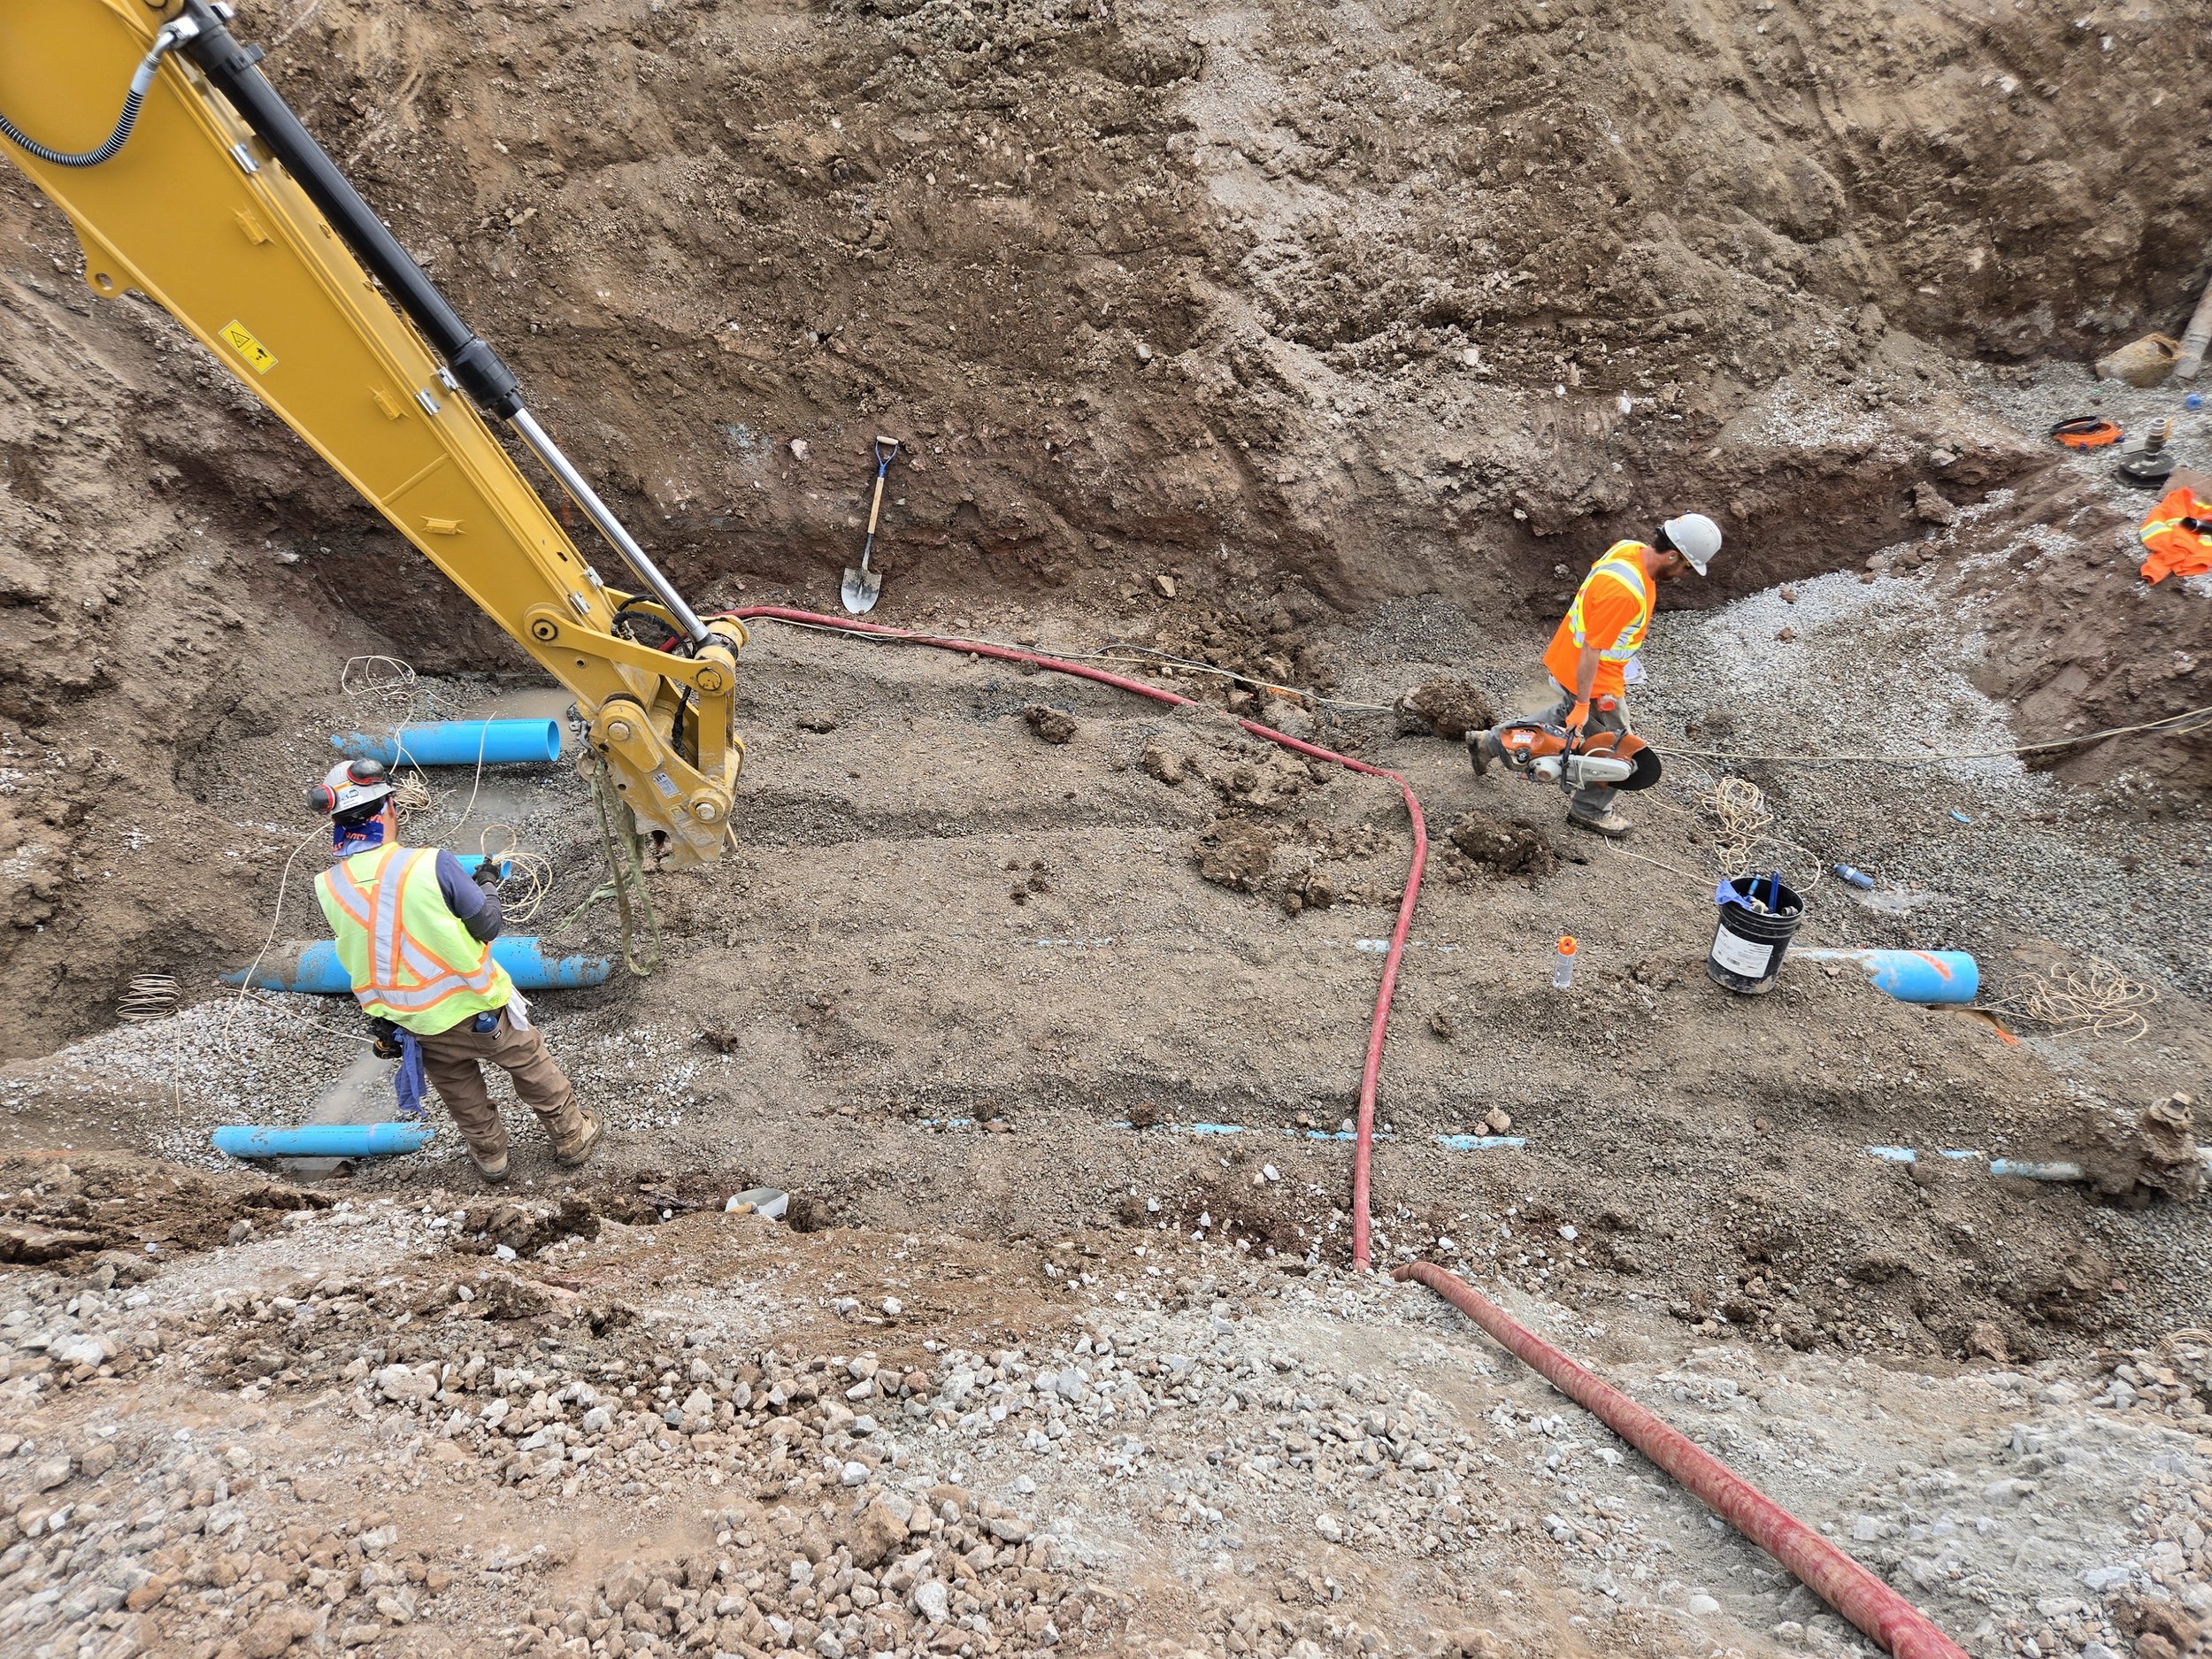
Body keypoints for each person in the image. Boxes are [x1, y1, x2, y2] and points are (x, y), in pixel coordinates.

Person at [308, 757, 602, 1182]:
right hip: (478, 1006)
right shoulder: (431, 863)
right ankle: (571, 1134)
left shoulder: (328, 884)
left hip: (412, 1020)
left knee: (459, 1089)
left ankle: (491, 1157)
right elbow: (487, 925)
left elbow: (378, 935)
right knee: (530, 1063)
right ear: (388, 808)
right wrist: (486, 883)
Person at [1468, 513, 1721, 839]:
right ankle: (1590, 810)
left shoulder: (1628, 549)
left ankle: (1488, 742)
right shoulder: (1625, 593)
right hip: (1593, 678)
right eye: (1686, 566)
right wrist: (1586, 702)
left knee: (1565, 717)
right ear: (1673, 555)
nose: (1684, 574)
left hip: (1570, 659)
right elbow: (1592, 649)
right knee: (1617, 746)